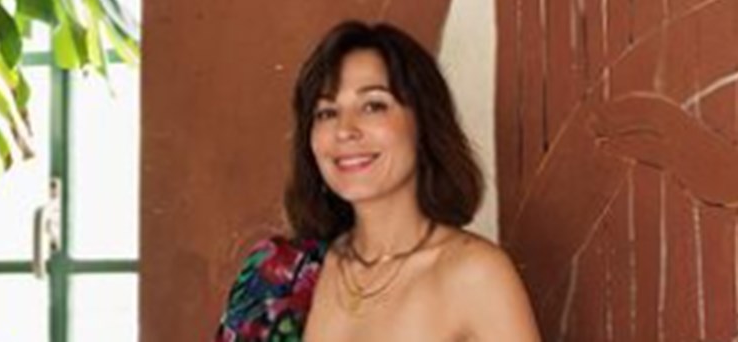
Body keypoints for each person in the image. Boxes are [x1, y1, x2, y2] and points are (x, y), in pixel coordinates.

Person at [214, 20, 541, 341]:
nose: (345, 130)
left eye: (373, 106)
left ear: (424, 124)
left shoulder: (476, 276)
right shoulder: (276, 274)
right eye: (327, 112)